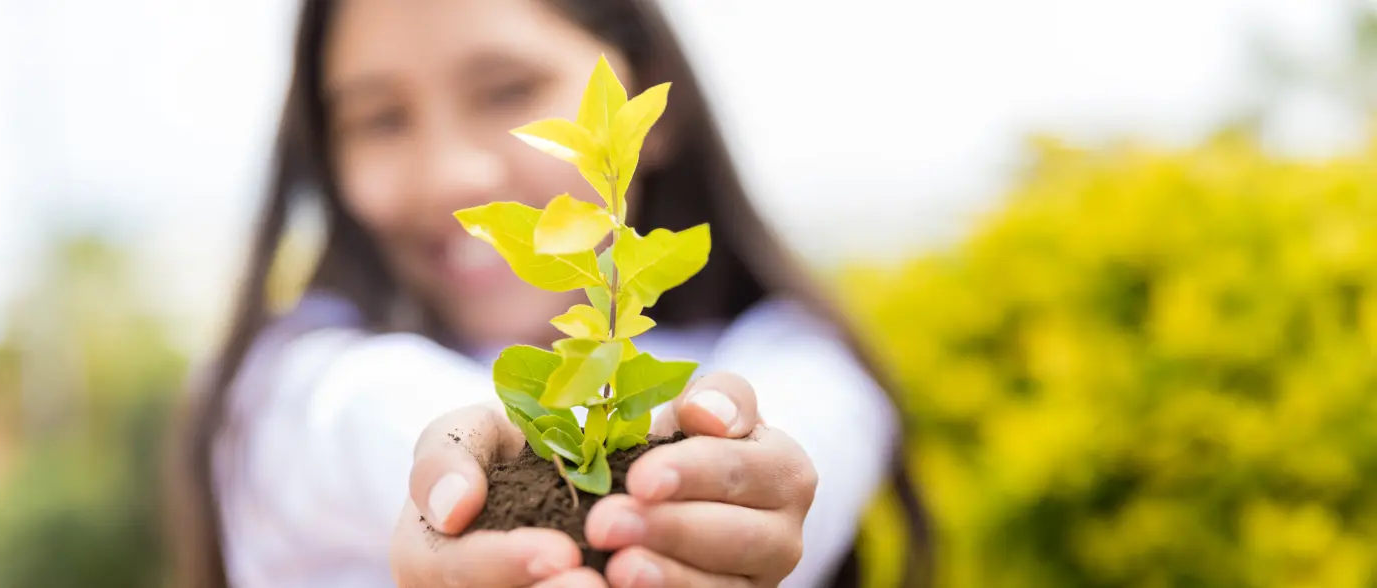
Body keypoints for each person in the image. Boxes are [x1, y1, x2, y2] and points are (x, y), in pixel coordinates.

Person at [170, 0, 932, 587]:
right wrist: (465, 463)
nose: (451, 175)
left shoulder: (793, 354)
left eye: (506, 91)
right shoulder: (283, 378)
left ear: (649, 102)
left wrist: (727, 484)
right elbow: (342, 417)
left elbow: (809, 437)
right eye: (380, 119)